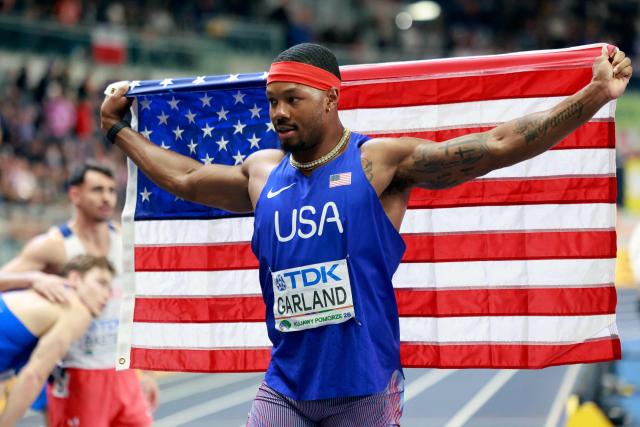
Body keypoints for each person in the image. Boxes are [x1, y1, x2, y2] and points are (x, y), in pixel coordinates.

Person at [100, 43, 633, 426]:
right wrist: (119, 130)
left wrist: (593, 95)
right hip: (285, 385)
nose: (278, 113)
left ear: (330, 99)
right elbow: (187, 179)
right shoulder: (262, 171)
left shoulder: (378, 163)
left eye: (292, 99)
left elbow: (495, 145)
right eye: (271, 102)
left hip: (365, 389)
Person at [0, 162, 157, 427]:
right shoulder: (55, 245)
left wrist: (148, 371)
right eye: (97, 190)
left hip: (122, 372)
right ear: (75, 195)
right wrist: (34, 278)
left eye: (111, 190)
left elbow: (137, 304)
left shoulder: (123, 239)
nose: (106, 197)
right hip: (76, 373)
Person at [0, 254, 114, 427]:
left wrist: (32, 278)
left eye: (110, 288)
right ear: (75, 279)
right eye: (101, 283)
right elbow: (33, 376)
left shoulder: (41, 292)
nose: (107, 295)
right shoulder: (78, 311)